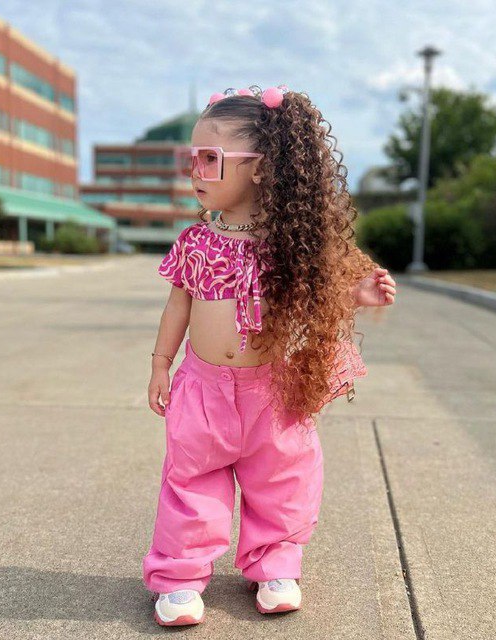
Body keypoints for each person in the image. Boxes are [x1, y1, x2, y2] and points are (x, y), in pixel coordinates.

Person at [142, 85, 396, 626]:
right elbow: (178, 304)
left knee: (281, 481)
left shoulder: (288, 244)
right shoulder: (195, 241)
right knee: (190, 483)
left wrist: (356, 293)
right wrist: (161, 363)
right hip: (202, 389)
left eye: (209, 159)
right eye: (192, 159)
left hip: (271, 391)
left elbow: (317, 292)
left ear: (259, 168)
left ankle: (276, 565)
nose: (195, 172)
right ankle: (180, 576)